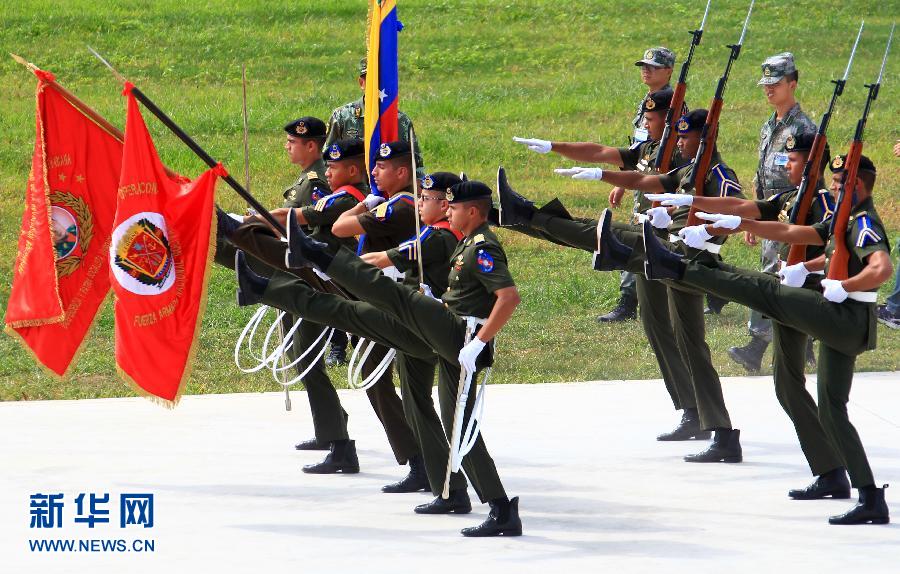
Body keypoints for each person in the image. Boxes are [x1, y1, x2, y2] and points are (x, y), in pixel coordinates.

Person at [641, 154, 891, 525]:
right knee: (830, 408)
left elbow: (881, 267)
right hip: (840, 317)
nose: (835, 188)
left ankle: (678, 266)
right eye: (835, 184)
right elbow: (796, 234)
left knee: (765, 292)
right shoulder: (845, 217)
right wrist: (743, 225)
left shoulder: (865, 222)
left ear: (858, 186)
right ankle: (867, 495)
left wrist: (846, 286)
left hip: (846, 316)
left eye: (842, 185)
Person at [264, 178, 523, 537]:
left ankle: (500, 508)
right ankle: (472, 499)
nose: (448, 211)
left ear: (474, 211)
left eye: (454, 207)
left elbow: (508, 297)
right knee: (452, 421)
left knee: (397, 303)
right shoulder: (465, 243)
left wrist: (480, 342)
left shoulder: (483, 247)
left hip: (463, 338)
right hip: (452, 337)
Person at [507, 109, 744, 462]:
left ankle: (526, 217)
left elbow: (736, 211)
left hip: (691, 261)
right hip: (667, 248)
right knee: (663, 328)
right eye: (678, 136)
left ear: (706, 138)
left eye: (686, 137)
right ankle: (698, 416)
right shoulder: (688, 169)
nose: (679, 142)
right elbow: (647, 183)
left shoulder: (719, 173)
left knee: (608, 237)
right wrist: (603, 176)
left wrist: (705, 227)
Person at [730, 53, 817, 372]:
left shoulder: (805, 128)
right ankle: (800, 342)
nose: (768, 90)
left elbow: (811, 179)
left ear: (792, 84)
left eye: (775, 84)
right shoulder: (769, 125)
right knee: (775, 274)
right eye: (765, 84)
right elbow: (761, 173)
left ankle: (760, 345)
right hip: (770, 211)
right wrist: (754, 217)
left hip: (792, 213)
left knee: (780, 275)